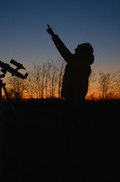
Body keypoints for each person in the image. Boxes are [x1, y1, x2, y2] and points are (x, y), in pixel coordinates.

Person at [46, 24, 94, 174]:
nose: (75, 47)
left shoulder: (79, 62)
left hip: (74, 103)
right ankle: (81, 160)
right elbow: (64, 51)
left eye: (78, 47)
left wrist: (74, 104)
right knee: (76, 131)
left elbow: (79, 87)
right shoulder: (78, 61)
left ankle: (73, 161)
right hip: (74, 102)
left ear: (82, 50)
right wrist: (54, 36)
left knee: (69, 131)